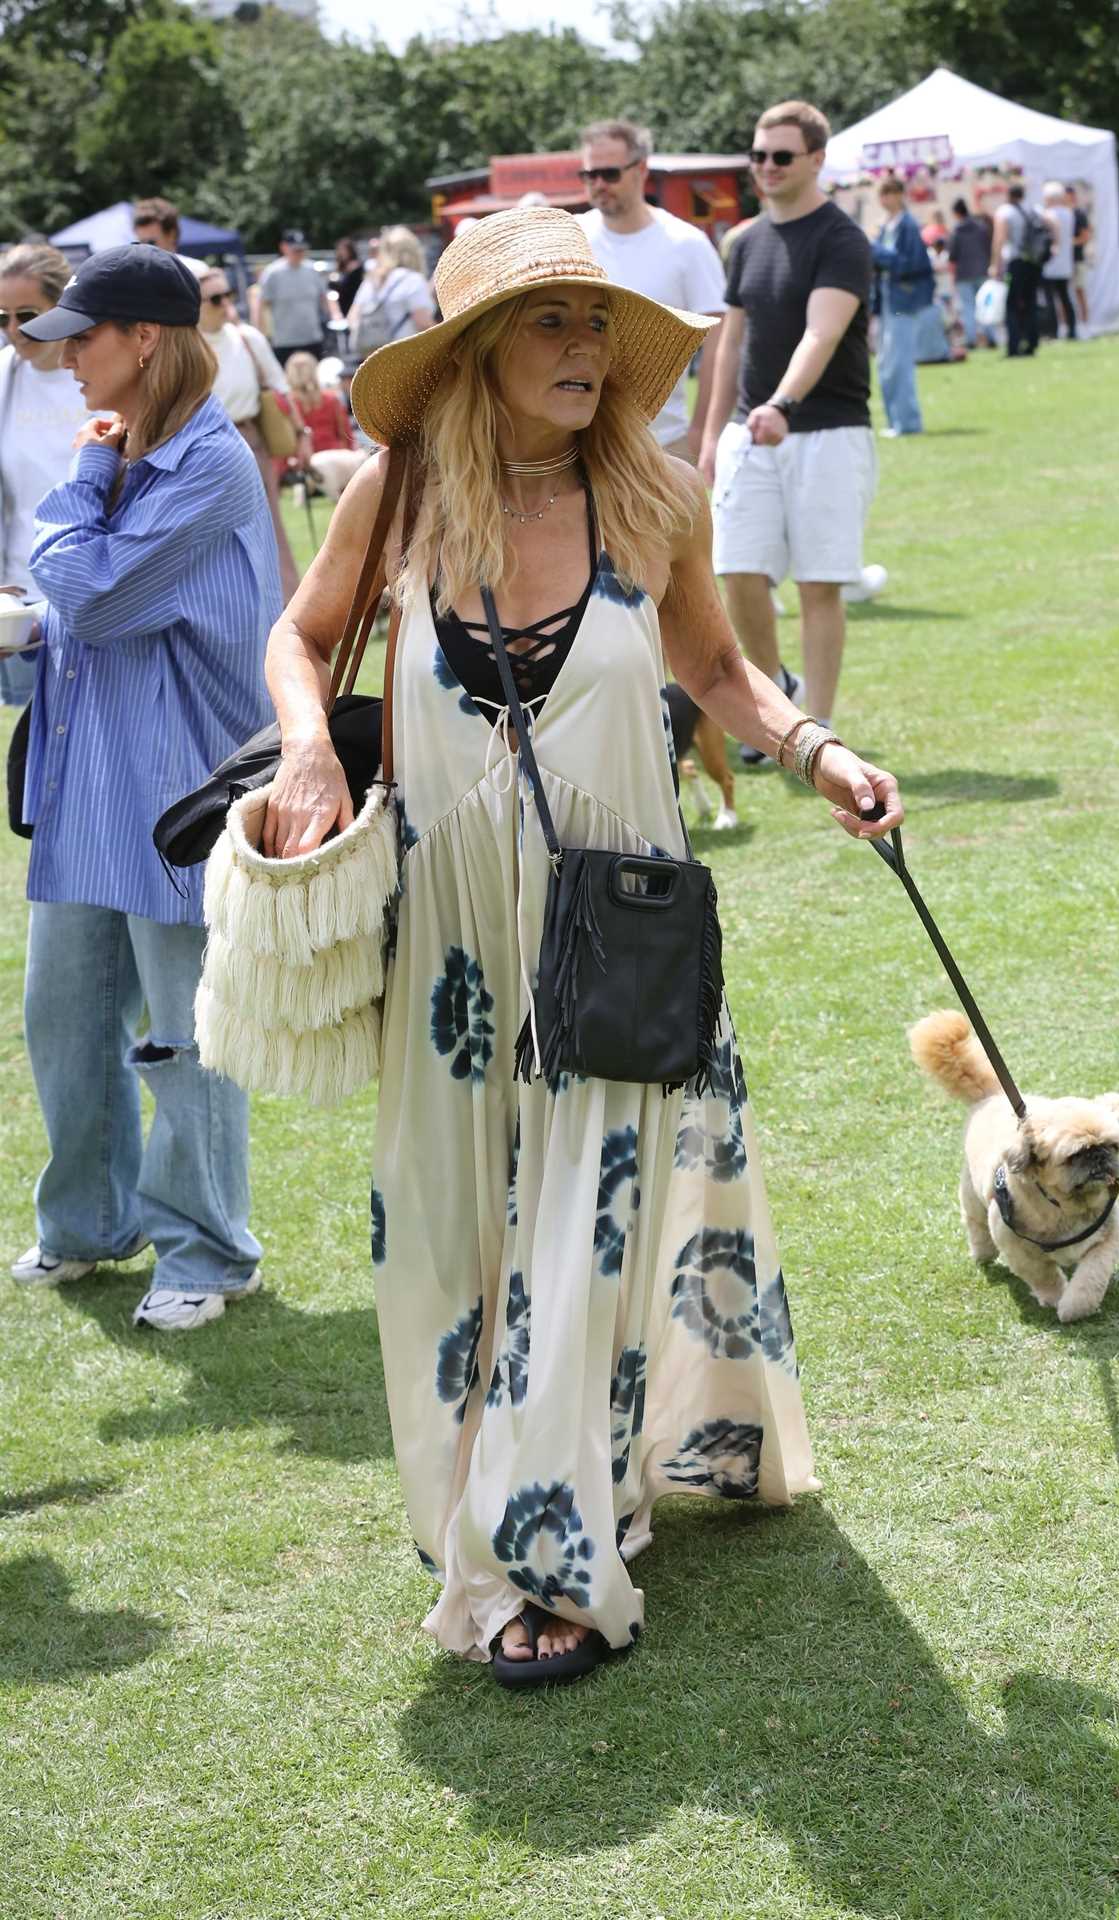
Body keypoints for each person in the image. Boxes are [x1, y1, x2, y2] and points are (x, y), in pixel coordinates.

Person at [261, 205, 903, 1681]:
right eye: (549, 323)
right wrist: (308, 752)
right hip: (451, 957)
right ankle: (518, 1497)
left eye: (595, 323)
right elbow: (302, 638)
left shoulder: (652, 494)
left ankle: (551, 1553)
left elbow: (716, 666)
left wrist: (816, 751)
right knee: (443, 1252)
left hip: (610, 941)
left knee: (580, 1244)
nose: (583, 347)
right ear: (478, 351)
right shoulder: (402, 492)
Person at [11, 245, 280, 1331]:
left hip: (176, 792)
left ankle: (209, 1254)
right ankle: (88, 1225)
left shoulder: (205, 464)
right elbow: (80, 614)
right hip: (86, 779)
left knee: (184, 1035)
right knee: (63, 1020)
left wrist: (74, 493)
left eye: (82, 335)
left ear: (147, 340)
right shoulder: (129, 449)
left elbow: (108, 597)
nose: (64, 355)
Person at [700, 99, 887, 754]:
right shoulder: (744, 241)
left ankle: (818, 727)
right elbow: (730, 343)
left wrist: (781, 402)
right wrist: (711, 436)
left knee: (817, 581)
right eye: (758, 155)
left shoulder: (840, 239)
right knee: (737, 569)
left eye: (782, 156)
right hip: (748, 432)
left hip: (827, 431)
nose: (767, 167)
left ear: (815, 159)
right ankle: (776, 693)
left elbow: (823, 331)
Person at [578, 118, 726, 463]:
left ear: (641, 169)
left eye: (610, 174)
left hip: (663, 443)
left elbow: (719, 346)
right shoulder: (573, 236)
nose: (599, 184)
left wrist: (703, 429)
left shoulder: (685, 243)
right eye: (589, 175)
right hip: (578, 443)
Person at [0, 243, 91, 706]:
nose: (14, 330)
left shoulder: (99, 371)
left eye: (27, 314)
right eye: (2, 317)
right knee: (30, 751)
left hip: (93, 592)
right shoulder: (4, 377)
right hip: (19, 597)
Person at [196, 262, 308, 599]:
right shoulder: (187, 347)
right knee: (216, 541)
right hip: (203, 449)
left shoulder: (246, 337)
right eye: (215, 298)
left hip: (250, 441)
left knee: (270, 531)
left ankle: (289, 613)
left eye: (228, 294)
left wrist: (302, 435)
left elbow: (281, 387)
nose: (225, 303)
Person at [870, 176, 933, 437]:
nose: (884, 199)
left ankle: (908, 423)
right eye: (881, 194)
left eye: (888, 193)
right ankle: (895, 420)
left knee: (899, 362)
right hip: (887, 299)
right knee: (885, 363)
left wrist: (874, 251)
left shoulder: (907, 226)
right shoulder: (886, 226)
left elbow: (910, 264)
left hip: (902, 301)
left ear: (899, 194)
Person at [282, 350, 369, 500]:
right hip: (338, 469)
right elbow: (346, 434)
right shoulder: (331, 399)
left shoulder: (288, 405)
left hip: (305, 469)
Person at [347, 226, 434, 365]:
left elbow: (352, 318)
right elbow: (423, 323)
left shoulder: (371, 281)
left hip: (374, 360)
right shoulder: (413, 280)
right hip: (406, 358)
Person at [255, 230, 329, 367]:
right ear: (283, 247)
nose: (299, 253)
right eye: (295, 249)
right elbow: (261, 305)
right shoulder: (273, 273)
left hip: (312, 338)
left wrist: (335, 317)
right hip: (285, 342)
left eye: (301, 249)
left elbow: (324, 297)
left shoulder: (313, 270)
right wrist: (260, 335)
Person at [991, 183, 1040, 358]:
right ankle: (1032, 342)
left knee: (1011, 304)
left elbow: (1000, 239)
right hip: (1034, 262)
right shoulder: (1033, 210)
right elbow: (1051, 225)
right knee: (1030, 303)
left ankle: (1014, 345)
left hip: (1015, 262)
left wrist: (995, 264)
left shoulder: (1005, 212)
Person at [947, 197, 994, 350]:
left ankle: (971, 339)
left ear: (956, 213)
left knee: (968, 307)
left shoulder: (956, 231)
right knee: (986, 306)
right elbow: (989, 247)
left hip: (964, 274)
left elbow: (952, 255)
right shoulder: (981, 228)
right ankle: (991, 336)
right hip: (982, 271)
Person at [131, 195, 208, 283]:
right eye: (140, 244)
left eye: (151, 243)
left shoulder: (196, 271)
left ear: (171, 235)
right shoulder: (135, 276)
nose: (145, 249)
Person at [1040, 182, 1077, 341]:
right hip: (1066, 263)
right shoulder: (1069, 214)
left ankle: (1052, 331)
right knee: (1065, 297)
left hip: (1050, 264)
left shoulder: (1047, 214)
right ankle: (1072, 329)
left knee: (1050, 300)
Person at [1066, 186, 1091, 334]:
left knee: (1079, 290)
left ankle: (1084, 322)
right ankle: (1066, 323)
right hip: (1065, 261)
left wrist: (1069, 242)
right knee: (1063, 293)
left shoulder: (1079, 214)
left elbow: (1085, 236)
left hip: (1077, 258)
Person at [331, 236, 365, 318]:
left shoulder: (357, 267)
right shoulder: (339, 267)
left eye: (344, 249)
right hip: (340, 304)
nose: (342, 252)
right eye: (340, 250)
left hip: (352, 302)